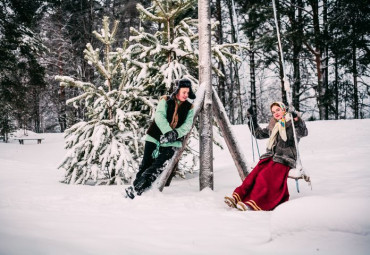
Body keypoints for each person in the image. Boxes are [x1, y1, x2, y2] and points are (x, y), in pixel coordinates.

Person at [224, 101, 308, 211]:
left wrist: (297, 119)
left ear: (284, 109)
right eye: (273, 112)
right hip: (271, 157)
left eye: (278, 110)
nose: (276, 113)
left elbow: (303, 132)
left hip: (285, 159)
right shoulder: (274, 125)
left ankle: (254, 202)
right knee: (253, 175)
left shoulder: (291, 123)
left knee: (264, 176)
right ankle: (237, 197)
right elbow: (259, 134)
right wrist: (252, 119)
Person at [125, 78, 196, 199]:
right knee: (146, 164)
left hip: (171, 142)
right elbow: (159, 116)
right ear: (177, 91)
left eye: (188, 93)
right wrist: (168, 131)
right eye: (184, 92)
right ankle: (135, 190)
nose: (186, 95)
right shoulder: (165, 100)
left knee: (158, 166)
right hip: (154, 136)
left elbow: (187, 125)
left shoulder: (189, 107)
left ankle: (138, 189)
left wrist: (175, 134)